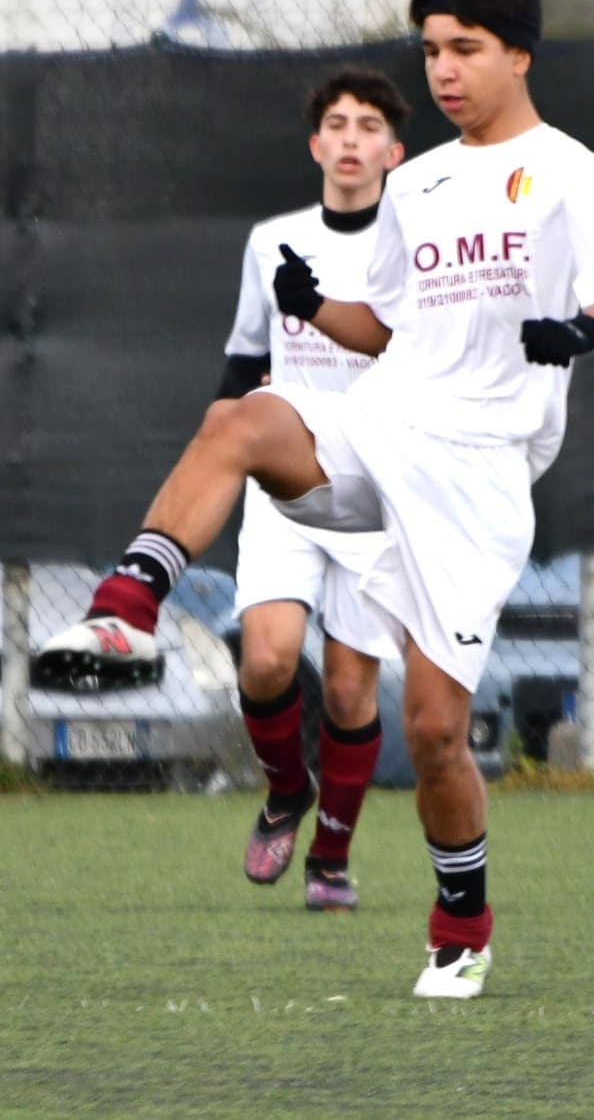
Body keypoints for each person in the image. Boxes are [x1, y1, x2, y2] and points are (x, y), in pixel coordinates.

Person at [42, 0, 594, 998]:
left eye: (465, 49)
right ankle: (124, 610)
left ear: (519, 54)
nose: (444, 69)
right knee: (239, 419)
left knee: (436, 731)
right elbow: (385, 329)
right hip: (380, 424)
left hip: (477, 471)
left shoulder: (568, 169)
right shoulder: (415, 184)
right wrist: (313, 306)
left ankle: (461, 923)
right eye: (432, 50)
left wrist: (584, 327)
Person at [216, 68, 412, 912]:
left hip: (375, 489)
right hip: (287, 478)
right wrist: (217, 451)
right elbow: (242, 362)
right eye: (336, 124)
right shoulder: (272, 240)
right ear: (314, 144)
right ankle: (285, 790)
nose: (350, 138)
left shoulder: (414, 249)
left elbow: (422, 355)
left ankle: (330, 860)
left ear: (394, 153)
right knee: (265, 661)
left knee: (347, 690)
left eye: (368, 126)